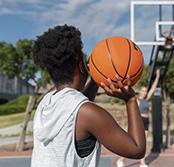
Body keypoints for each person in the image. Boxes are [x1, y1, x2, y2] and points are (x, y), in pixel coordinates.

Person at [31, 24, 146, 167]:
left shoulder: (45, 103)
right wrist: (131, 99)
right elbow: (137, 149)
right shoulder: (88, 113)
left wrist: (96, 78)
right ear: (81, 66)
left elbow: (75, 102)